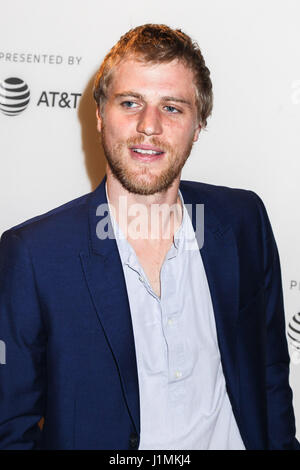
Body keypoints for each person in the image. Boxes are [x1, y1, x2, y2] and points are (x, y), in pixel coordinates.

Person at [0, 24, 299, 451]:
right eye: (130, 103)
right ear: (101, 114)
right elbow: (10, 429)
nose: (149, 125)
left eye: (173, 107)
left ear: (198, 125)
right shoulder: (34, 255)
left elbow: (270, 373)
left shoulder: (243, 221)